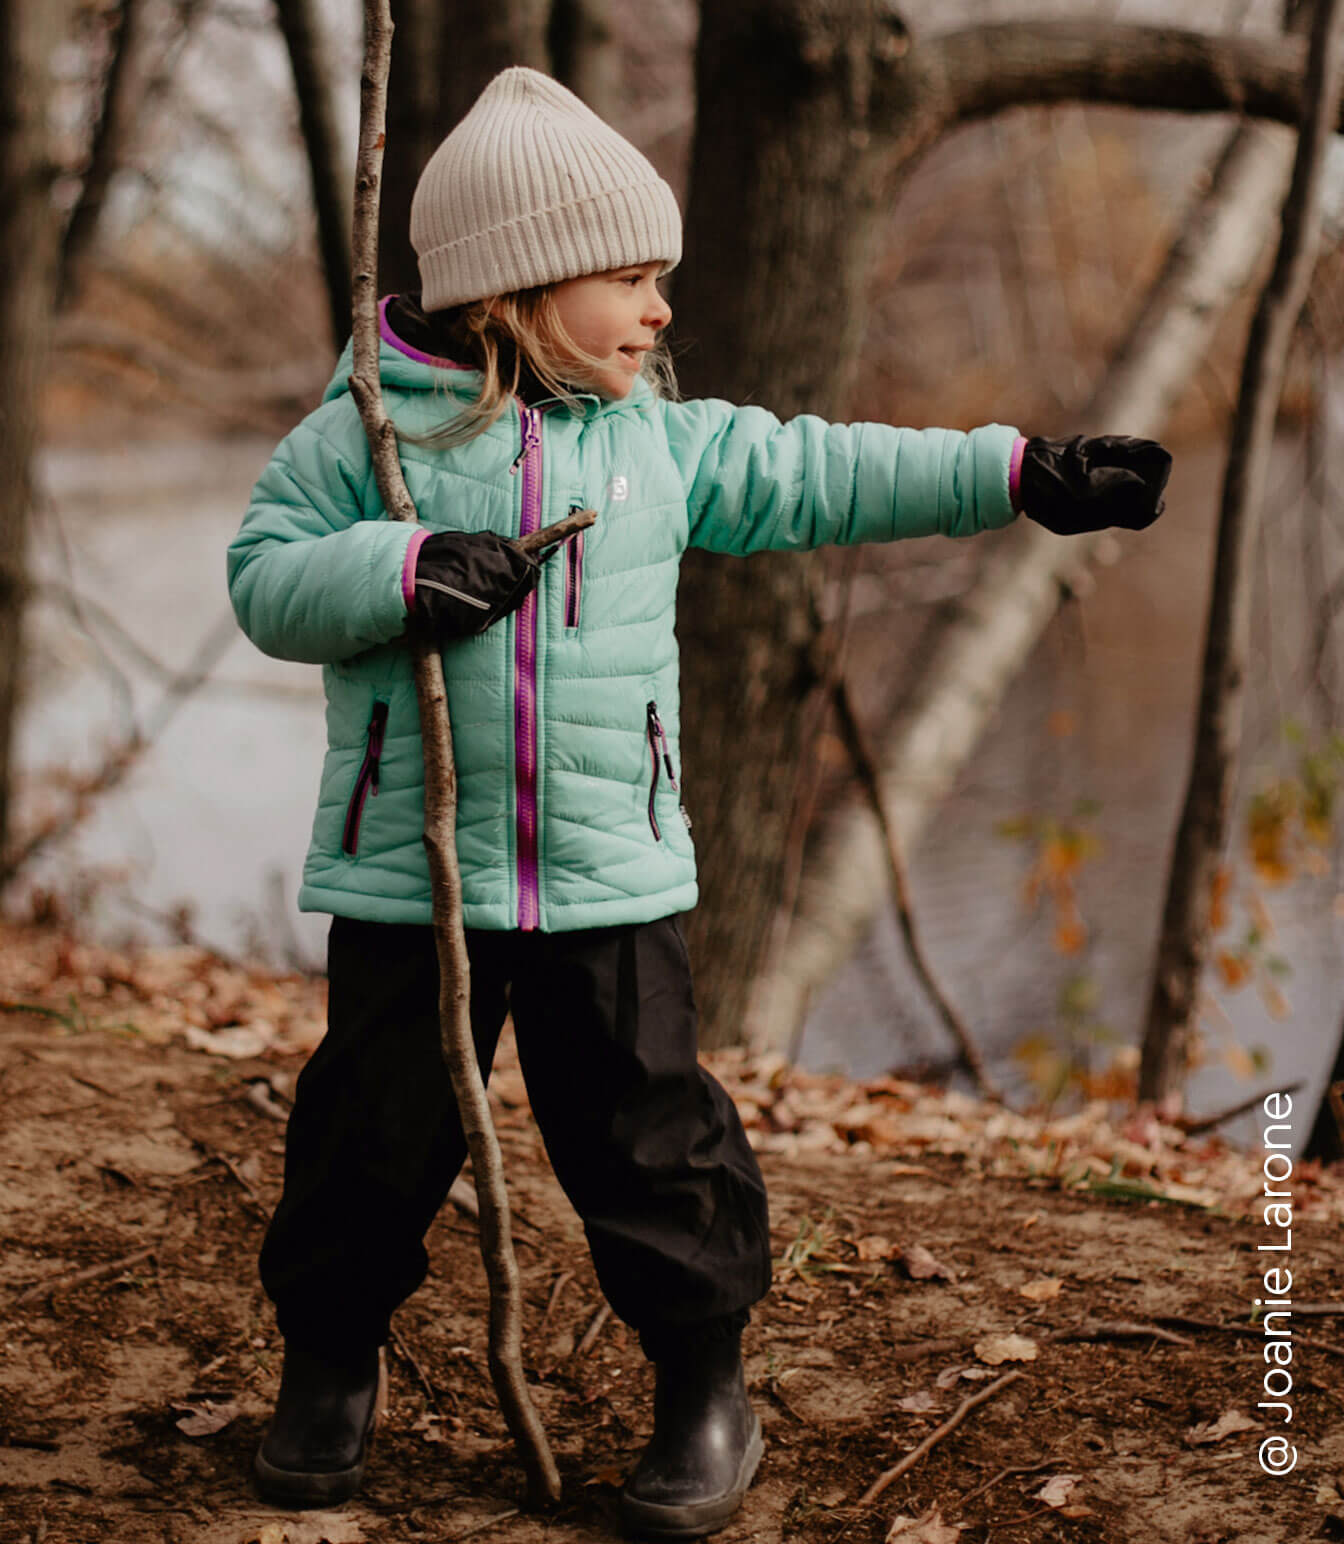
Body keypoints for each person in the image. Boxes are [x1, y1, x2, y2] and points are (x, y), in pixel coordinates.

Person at [226, 65, 1171, 1539]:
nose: (661, 309)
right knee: (370, 1135)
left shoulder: (658, 441)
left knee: (654, 1140)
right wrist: (400, 571)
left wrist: (1020, 473)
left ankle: (698, 1380)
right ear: (519, 286)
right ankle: (330, 1365)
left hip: (611, 874)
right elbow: (265, 578)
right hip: (419, 884)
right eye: (631, 278)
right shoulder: (366, 435)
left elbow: (825, 469)